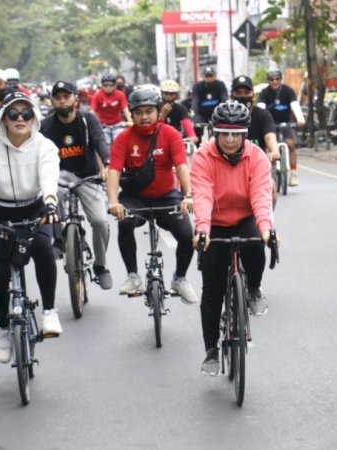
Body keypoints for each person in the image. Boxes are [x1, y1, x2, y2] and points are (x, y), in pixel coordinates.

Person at [0, 91, 62, 364]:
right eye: (13, 114)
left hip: (35, 209)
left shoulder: (45, 146)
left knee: (43, 249)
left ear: (34, 117)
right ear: (3, 119)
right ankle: (4, 330)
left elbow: (49, 176)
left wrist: (50, 203)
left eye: (26, 113)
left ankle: (49, 312)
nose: (20, 118)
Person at [190, 100, 275, 375]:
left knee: (256, 245)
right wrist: (202, 229)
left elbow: (261, 195)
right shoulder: (203, 156)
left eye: (235, 133)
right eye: (224, 132)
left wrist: (266, 229)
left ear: (245, 134)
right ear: (215, 132)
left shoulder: (257, 157)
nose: (229, 139)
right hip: (213, 222)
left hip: (244, 218)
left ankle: (253, 289)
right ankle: (211, 351)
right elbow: (201, 194)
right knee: (212, 291)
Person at [105, 87, 198, 305]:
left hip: (167, 196)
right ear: (131, 114)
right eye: (139, 112)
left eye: (149, 111)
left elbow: (182, 166)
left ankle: (180, 278)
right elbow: (114, 171)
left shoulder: (170, 134)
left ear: (158, 112)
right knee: (125, 221)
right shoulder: (123, 138)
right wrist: (113, 202)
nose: (144, 116)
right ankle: (133, 276)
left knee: (187, 236)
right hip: (135, 197)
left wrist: (188, 195)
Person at [40, 80, 113, 289]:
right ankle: (59, 240)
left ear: (75, 99)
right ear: (53, 101)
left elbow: (99, 141)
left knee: (100, 221)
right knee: (48, 200)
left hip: (87, 176)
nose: (62, 101)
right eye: (58, 97)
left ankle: (100, 266)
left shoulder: (87, 120)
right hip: (59, 176)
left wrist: (107, 164)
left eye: (66, 96)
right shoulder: (45, 126)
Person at [231, 75, 281, 208]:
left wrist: (274, 151)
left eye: (246, 93)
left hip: (257, 164)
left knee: (270, 187)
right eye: (239, 93)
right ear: (232, 95)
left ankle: (266, 224)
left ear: (252, 94)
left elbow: (270, 135)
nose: (243, 96)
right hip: (230, 165)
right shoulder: (227, 117)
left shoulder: (263, 115)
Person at [257, 68, 306, 186]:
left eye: (277, 79)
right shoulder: (264, 92)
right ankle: (267, 172)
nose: (274, 81)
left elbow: (294, 104)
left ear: (281, 79)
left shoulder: (288, 91)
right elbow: (261, 107)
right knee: (268, 147)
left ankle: (293, 174)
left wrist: (300, 119)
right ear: (268, 81)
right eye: (271, 79)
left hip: (285, 122)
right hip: (270, 124)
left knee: (291, 144)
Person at [91, 72, 132, 148]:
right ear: (102, 85)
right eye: (105, 85)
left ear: (115, 85)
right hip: (103, 126)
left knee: (120, 143)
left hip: (118, 125)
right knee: (104, 145)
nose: (108, 87)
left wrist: (130, 121)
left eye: (111, 85)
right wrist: (92, 123)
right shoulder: (97, 95)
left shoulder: (120, 94)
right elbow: (92, 112)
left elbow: (125, 109)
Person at [191, 66, 228, 142]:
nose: (209, 78)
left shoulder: (220, 85)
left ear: (215, 76)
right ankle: (197, 144)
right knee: (196, 127)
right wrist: (194, 117)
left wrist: (224, 113)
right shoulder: (197, 86)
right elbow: (195, 102)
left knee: (222, 126)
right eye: (207, 76)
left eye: (211, 76)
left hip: (217, 112)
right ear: (203, 76)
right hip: (202, 114)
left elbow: (224, 99)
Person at [158, 79, 197, 145]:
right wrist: (162, 115)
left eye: (171, 94)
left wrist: (192, 135)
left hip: (175, 138)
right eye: (166, 93)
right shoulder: (156, 107)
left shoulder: (181, 108)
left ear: (176, 95)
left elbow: (186, 122)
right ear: (162, 93)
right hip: (159, 139)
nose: (168, 96)